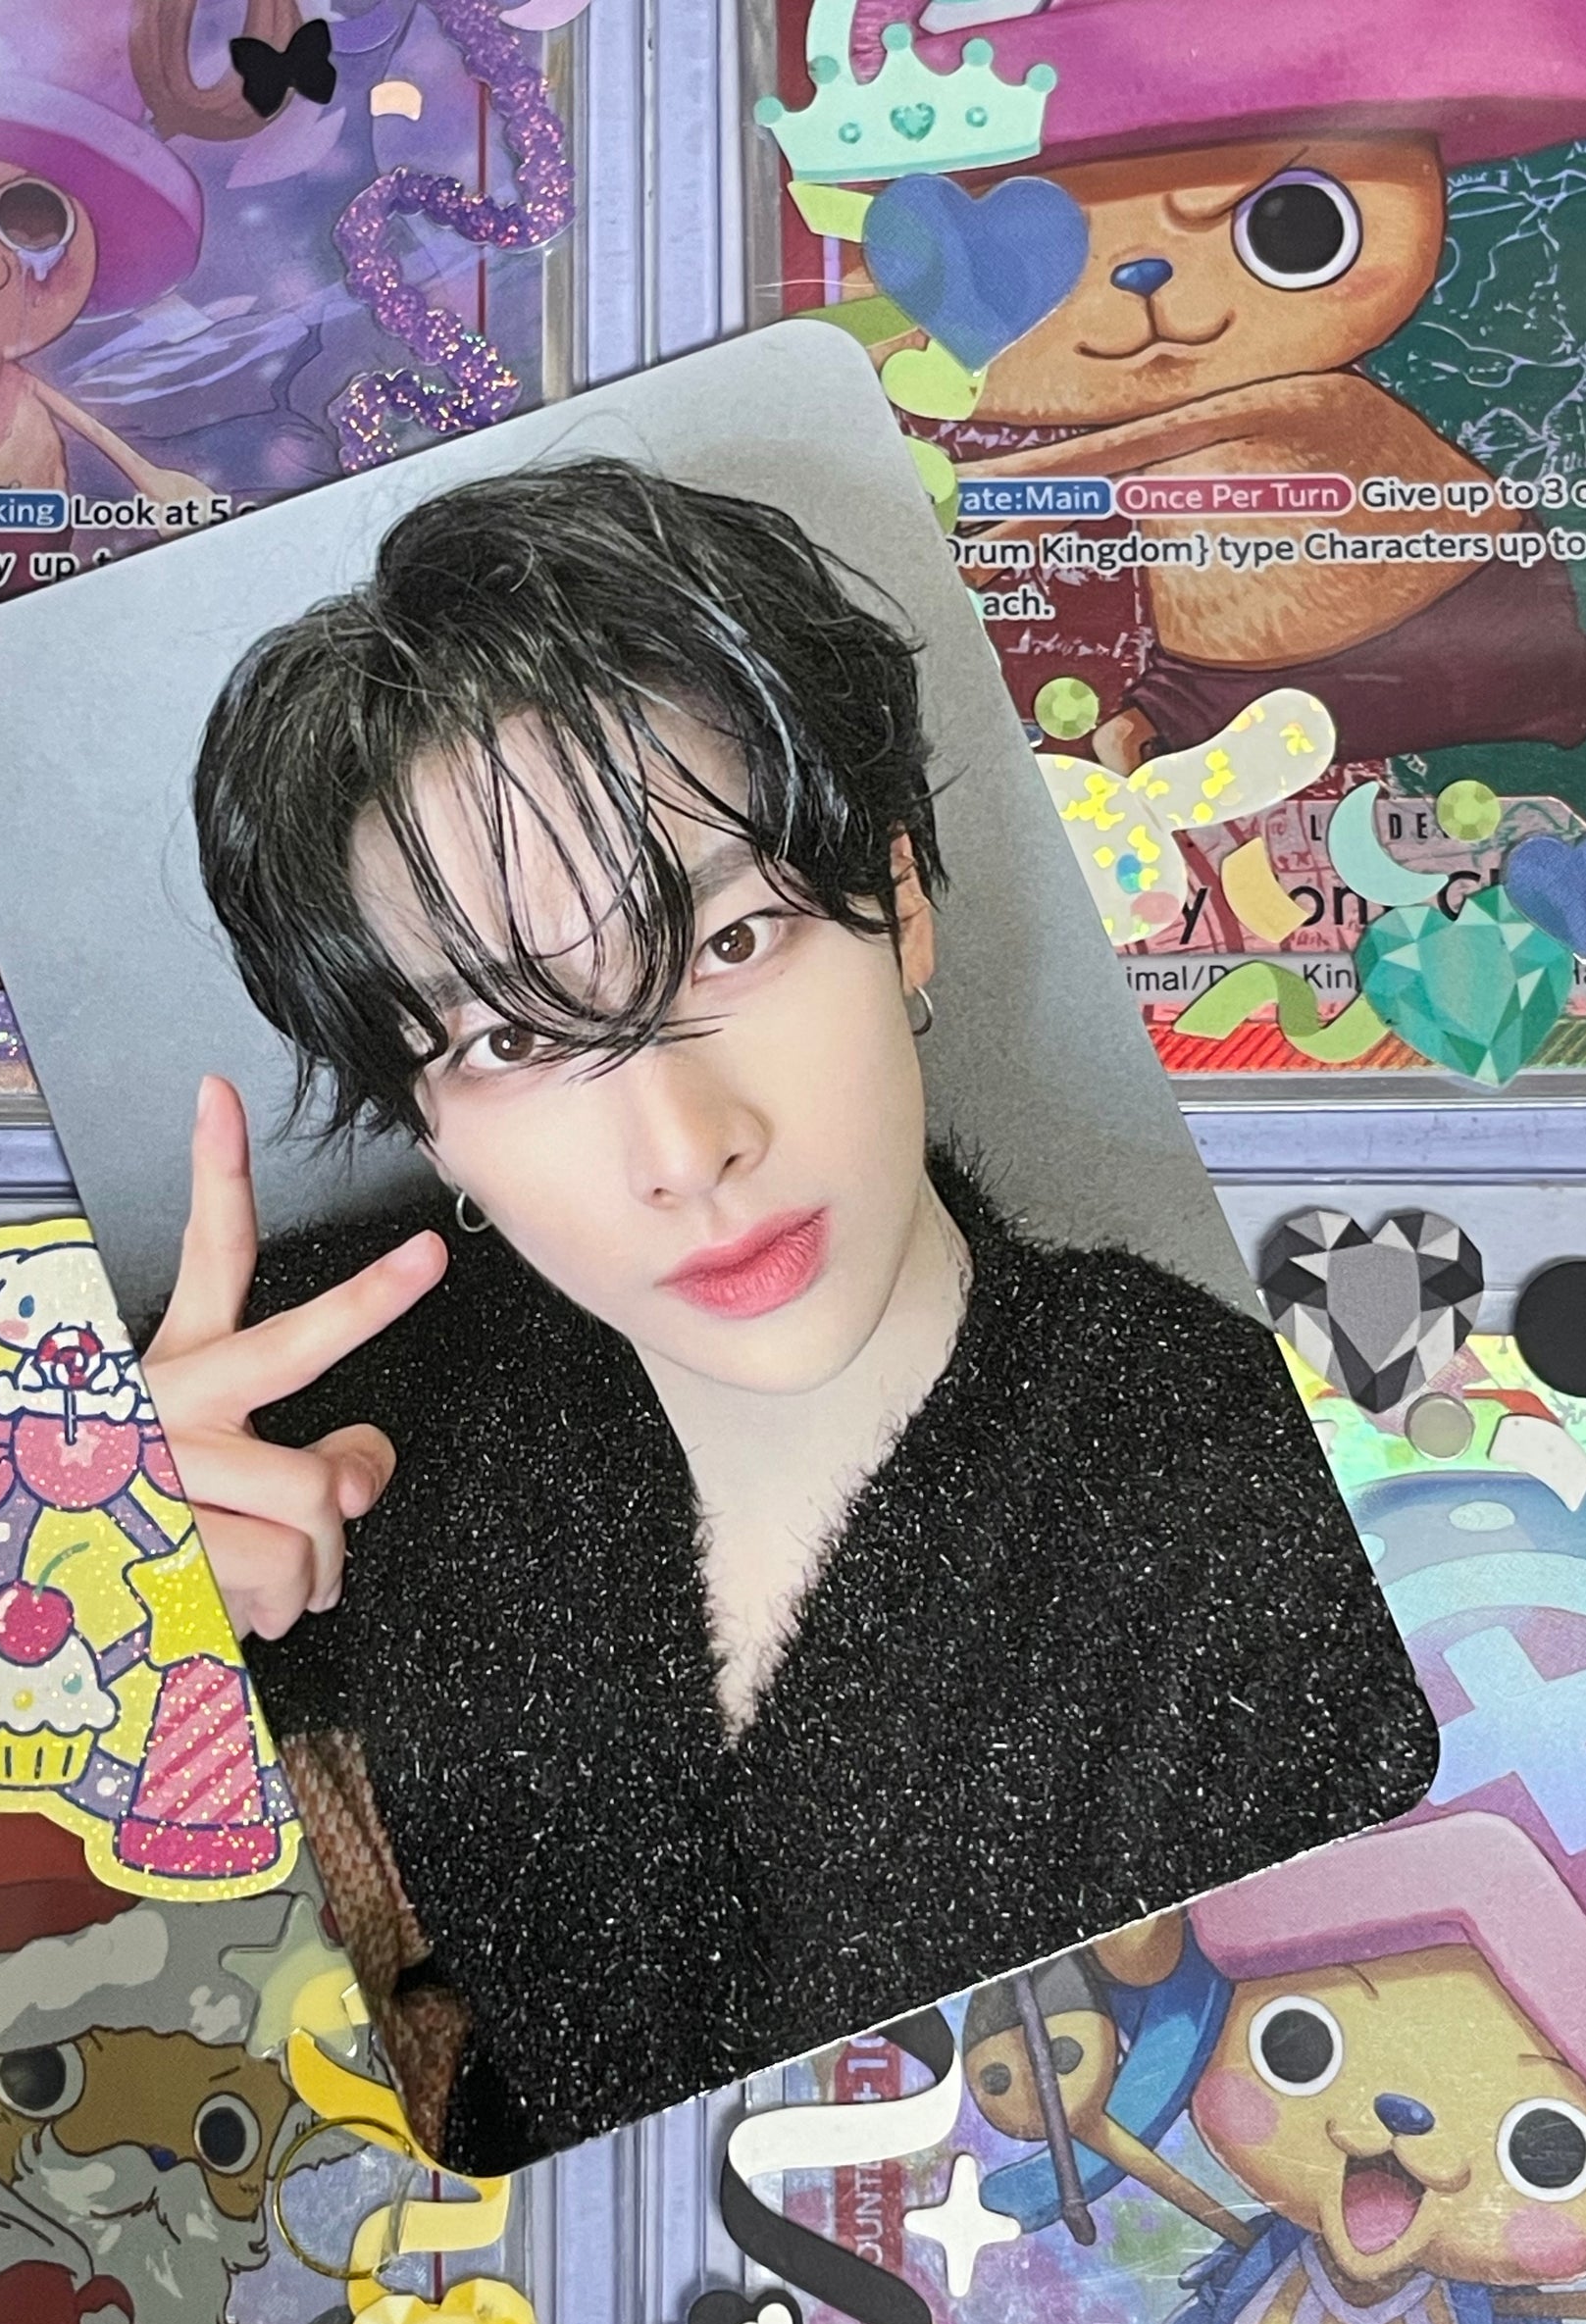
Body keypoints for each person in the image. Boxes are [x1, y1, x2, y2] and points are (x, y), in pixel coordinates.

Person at [139, 457, 1437, 2174]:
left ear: (898, 906)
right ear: (428, 1120)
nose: (684, 1151)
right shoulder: (347, 1381)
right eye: (510, 1040)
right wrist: (111, 1593)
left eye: (731, 939)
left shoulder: (1251, 1512)